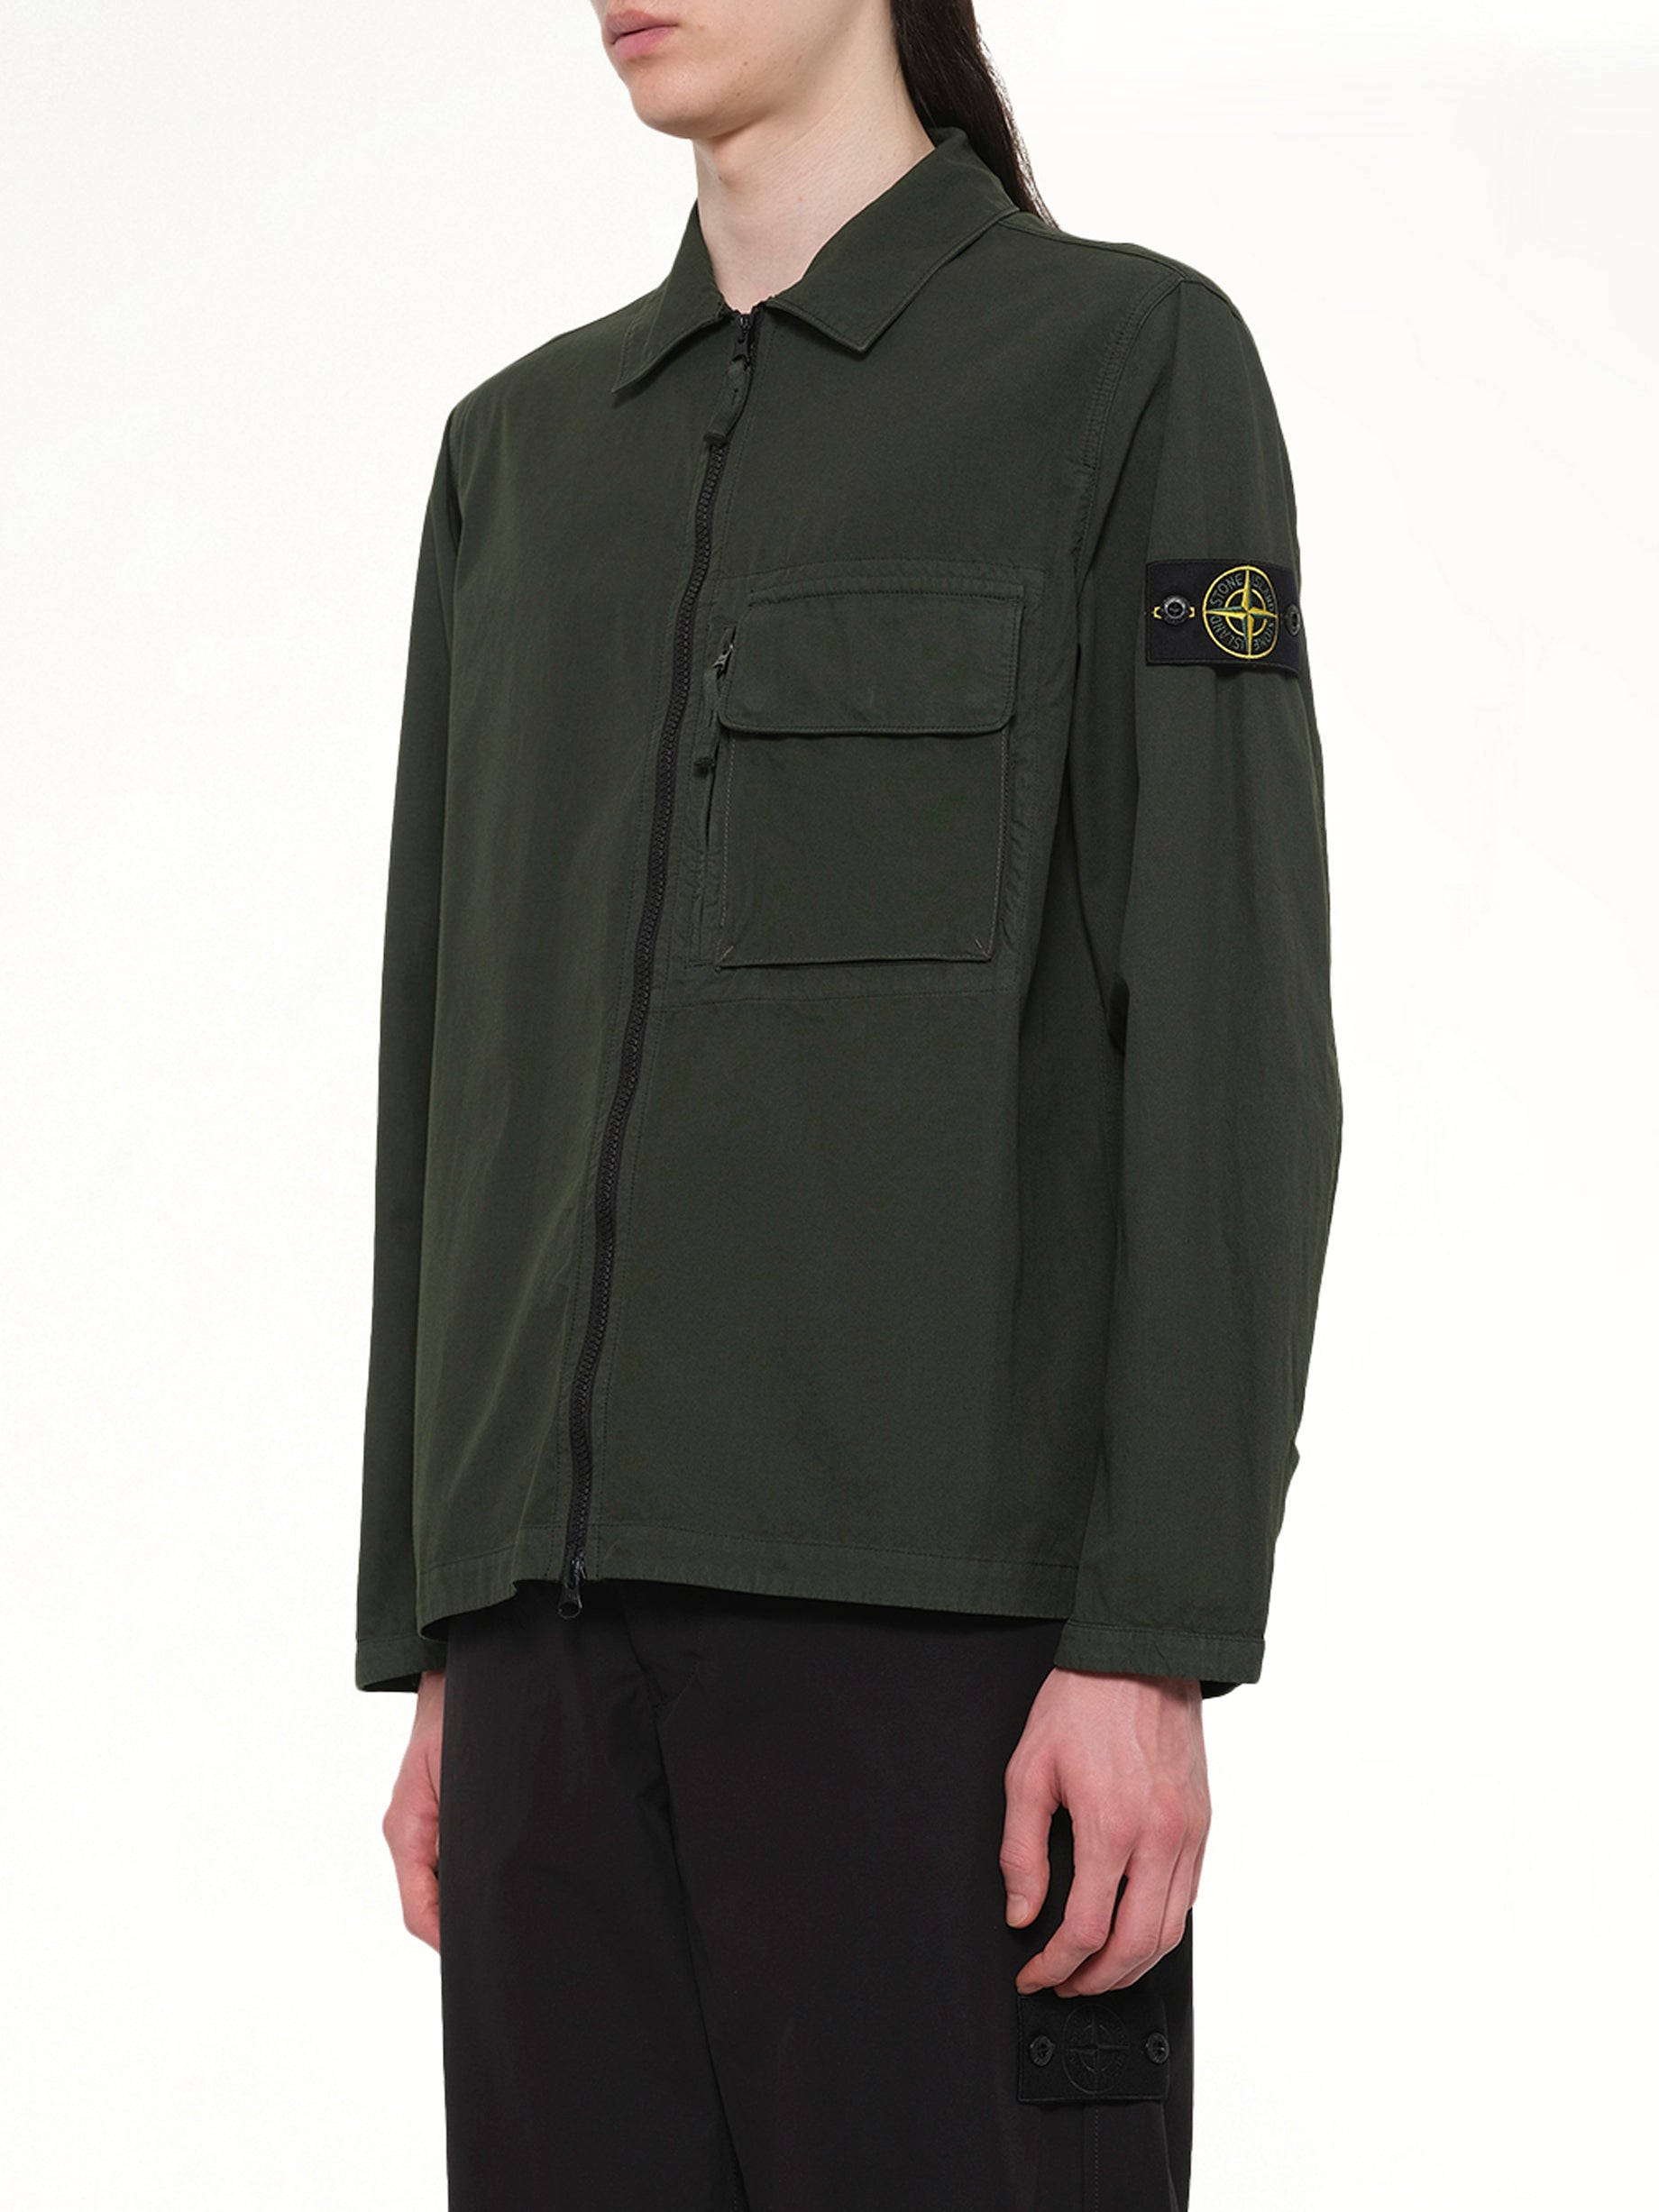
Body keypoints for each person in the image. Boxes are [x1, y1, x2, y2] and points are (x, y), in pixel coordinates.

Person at [359, 2, 1342, 2205]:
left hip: (946, 1674)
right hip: (544, 1677)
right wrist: (437, 1638)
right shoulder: (517, 458)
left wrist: (1152, 1640)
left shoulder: (1123, 369)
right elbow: (453, 1069)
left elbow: (1229, 1039)